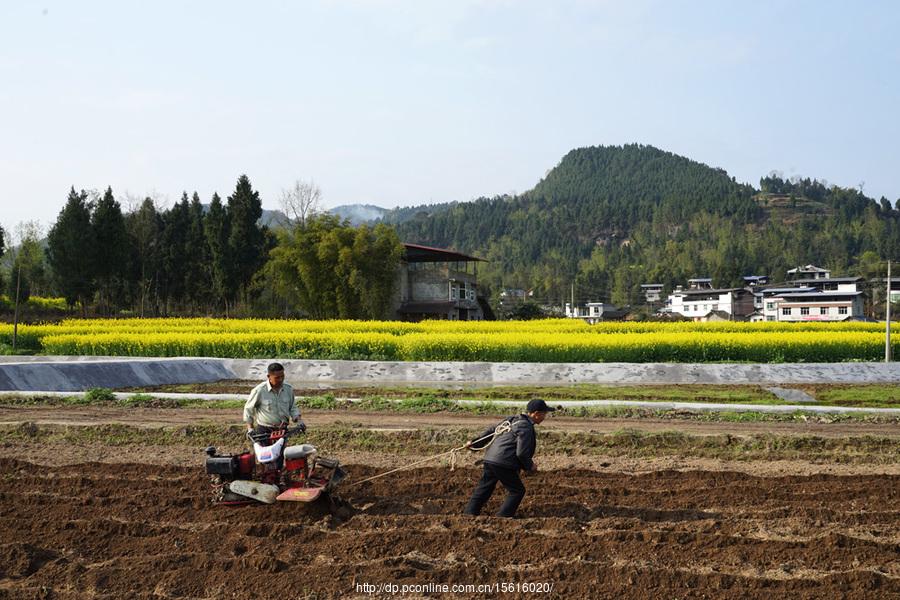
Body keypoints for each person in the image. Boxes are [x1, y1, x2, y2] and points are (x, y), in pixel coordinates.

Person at [463, 398, 555, 518]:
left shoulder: (512, 419)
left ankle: (469, 514)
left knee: (484, 488)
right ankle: (503, 517)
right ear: (536, 414)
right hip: (504, 463)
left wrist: (474, 443)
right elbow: (521, 453)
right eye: (544, 414)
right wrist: (530, 466)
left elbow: (492, 431)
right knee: (517, 491)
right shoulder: (526, 427)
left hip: (490, 459)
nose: (544, 417)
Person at [243, 362, 305, 437]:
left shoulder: (288, 389)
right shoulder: (259, 390)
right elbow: (248, 409)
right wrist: (250, 428)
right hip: (265, 431)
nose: (281, 379)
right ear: (269, 376)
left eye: (282, 376)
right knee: (265, 449)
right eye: (277, 378)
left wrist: (299, 420)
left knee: (281, 449)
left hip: (282, 431)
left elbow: (292, 407)